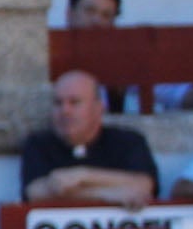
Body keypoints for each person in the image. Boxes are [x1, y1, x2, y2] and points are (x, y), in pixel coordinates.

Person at [24, 68, 160, 203]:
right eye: (58, 103)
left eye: (74, 102)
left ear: (98, 108)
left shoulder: (128, 141)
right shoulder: (39, 143)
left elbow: (143, 185)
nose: (65, 111)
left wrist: (84, 175)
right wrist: (106, 194)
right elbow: (35, 192)